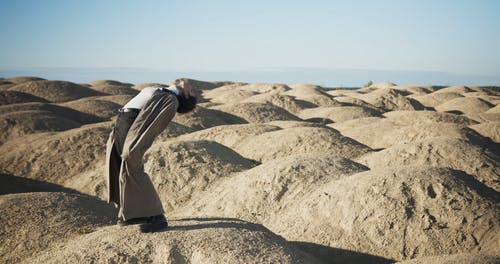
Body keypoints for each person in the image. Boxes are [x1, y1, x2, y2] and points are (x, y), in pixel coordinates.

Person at [105, 80, 197, 233]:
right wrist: (182, 85)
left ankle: (156, 216)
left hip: (131, 124)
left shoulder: (169, 99)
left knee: (132, 165)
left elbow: (151, 126)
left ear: (185, 97)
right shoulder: (167, 92)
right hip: (123, 123)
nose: (191, 89)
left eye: (191, 92)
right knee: (120, 166)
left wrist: (135, 147)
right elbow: (180, 83)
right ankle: (133, 215)